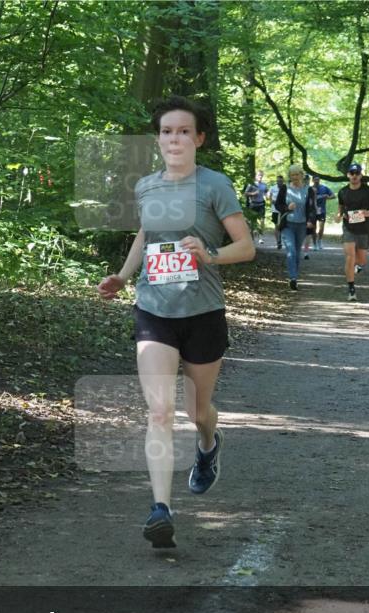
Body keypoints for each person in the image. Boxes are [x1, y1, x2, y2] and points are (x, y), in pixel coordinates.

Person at [97, 96, 255, 548]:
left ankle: (208, 445)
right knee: (160, 410)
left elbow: (245, 246)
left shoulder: (215, 186)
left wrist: (211, 254)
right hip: (154, 309)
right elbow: (145, 236)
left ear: (199, 138)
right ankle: (160, 508)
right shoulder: (147, 186)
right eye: (167, 131)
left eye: (184, 131)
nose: (175, 139)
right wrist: (123, 276)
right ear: (158, 139)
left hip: (203, 311)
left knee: (196, 411)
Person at [336, 163, 369, 302]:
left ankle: (358, 267)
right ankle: (351, 289)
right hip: (348, 228)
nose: (354, 176)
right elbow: (340, 208)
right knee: (350, 256)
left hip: (364, 228)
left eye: (357, 173)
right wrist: (338, 215)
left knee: (361, 260)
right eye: (351, 173)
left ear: (361, 175)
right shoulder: (343, 191)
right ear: (348, 175)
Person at [274, 164, 316, 290]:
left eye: (297, 174)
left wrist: (310, 220)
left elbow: (312, 208)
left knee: (297, 253)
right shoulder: (285, 188)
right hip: (288, 224)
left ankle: (295, 278)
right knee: (291, 251)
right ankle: (292, 278)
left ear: (302, 175)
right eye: (292, 175)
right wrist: (287, 208)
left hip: (302, 225)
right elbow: (277, 205)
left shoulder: (308, 190)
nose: (295, 177)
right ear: (290, 176)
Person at [310, 175, 335, 252]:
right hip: (312, 211)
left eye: (318, 179)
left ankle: (319, 241)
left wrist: (327, 197)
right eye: (315, 179)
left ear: (319, 180)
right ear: (313, 180)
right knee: (313, 228)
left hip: (322, 211)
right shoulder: (310, 189)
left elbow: (333, 196)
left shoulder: (324, 188)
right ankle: (314, 244)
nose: (317, 181)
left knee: (321, 227)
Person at [243, 170, 268, 241]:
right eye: (259, 175)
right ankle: (251, 237)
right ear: (256, 176)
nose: (260, 176)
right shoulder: (251, 184)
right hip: (253, 204)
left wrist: (268, 195)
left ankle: (260, 237)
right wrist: (253, 193)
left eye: (261, 175)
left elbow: (266, 192)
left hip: (261, 204)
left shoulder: (264, 185)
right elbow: (245, 193)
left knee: (262, 221)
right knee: (252, 222)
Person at [269, 175, 284, 250]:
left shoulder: (285, 188)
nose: (279, 182)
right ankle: (278, 242)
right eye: (278, 181)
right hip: (275, 210)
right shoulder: (272, 188)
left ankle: (282, 240)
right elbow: (270, 198)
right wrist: (272, 201)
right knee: (277, 226)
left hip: (283, 210)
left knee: (283, 226)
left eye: (281, 181)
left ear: (283, 181)